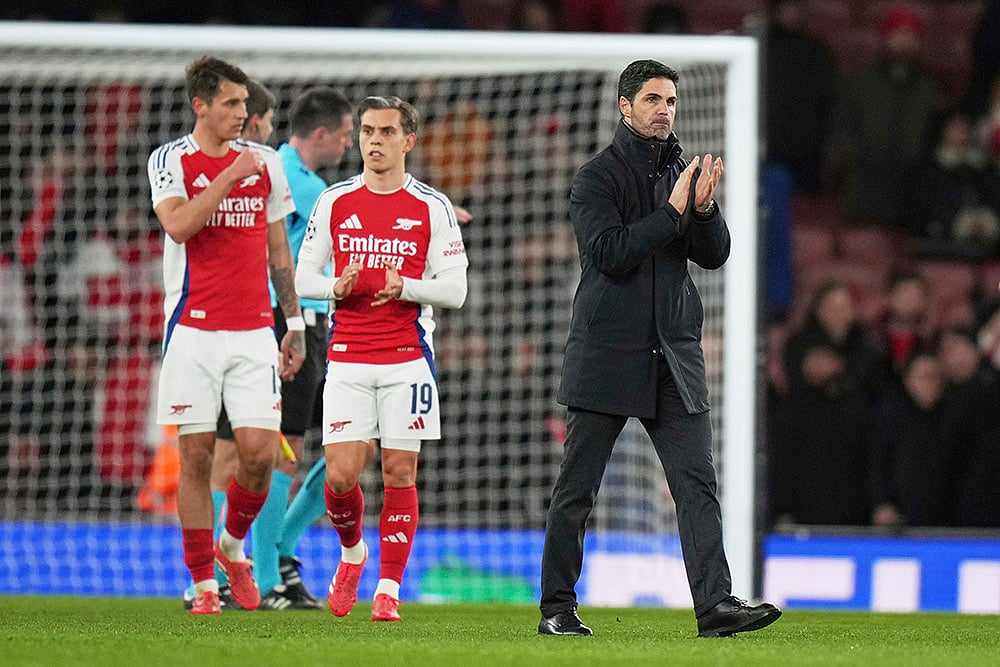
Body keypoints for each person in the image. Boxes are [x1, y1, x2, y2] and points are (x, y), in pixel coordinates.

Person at [537, 59, 781, 638]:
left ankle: (715, 606)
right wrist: (673, 212)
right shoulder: (596, 178)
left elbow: (714, 255)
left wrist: (704, 210)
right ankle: (556, 608)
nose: (664, 109)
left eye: (670, 100)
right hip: (608, 353)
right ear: (625, 106)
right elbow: (609, 254)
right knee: (578, 489)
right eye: (652, 99)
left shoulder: (682, 170)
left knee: (695, 483)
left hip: (673, 354)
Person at [295, 95, 468, 622]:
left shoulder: (432, 207)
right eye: (368, 131)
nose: (374, 140)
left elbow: (456, 290)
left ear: (408, 141)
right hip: (347, 356)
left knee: (399, 470)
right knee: (340, 477)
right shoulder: (335, 201)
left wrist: (407, 287)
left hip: (407, 358)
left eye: (387, 132)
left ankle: (388, 590)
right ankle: (353, 555)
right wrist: (334, 286)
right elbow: (303, 277)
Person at [147, 55, 305, 615]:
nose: (243, 112)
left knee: (260, 457)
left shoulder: (267, 163)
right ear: (201, 106)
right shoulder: (170, 159)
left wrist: (294, 322)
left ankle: (232, 545)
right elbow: (178, 225)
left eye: (244, 103)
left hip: (254, 331)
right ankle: (203, 585)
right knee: (195, 457)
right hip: (191, 331)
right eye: (231, 103)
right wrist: (227, 177)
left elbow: (278, 248)